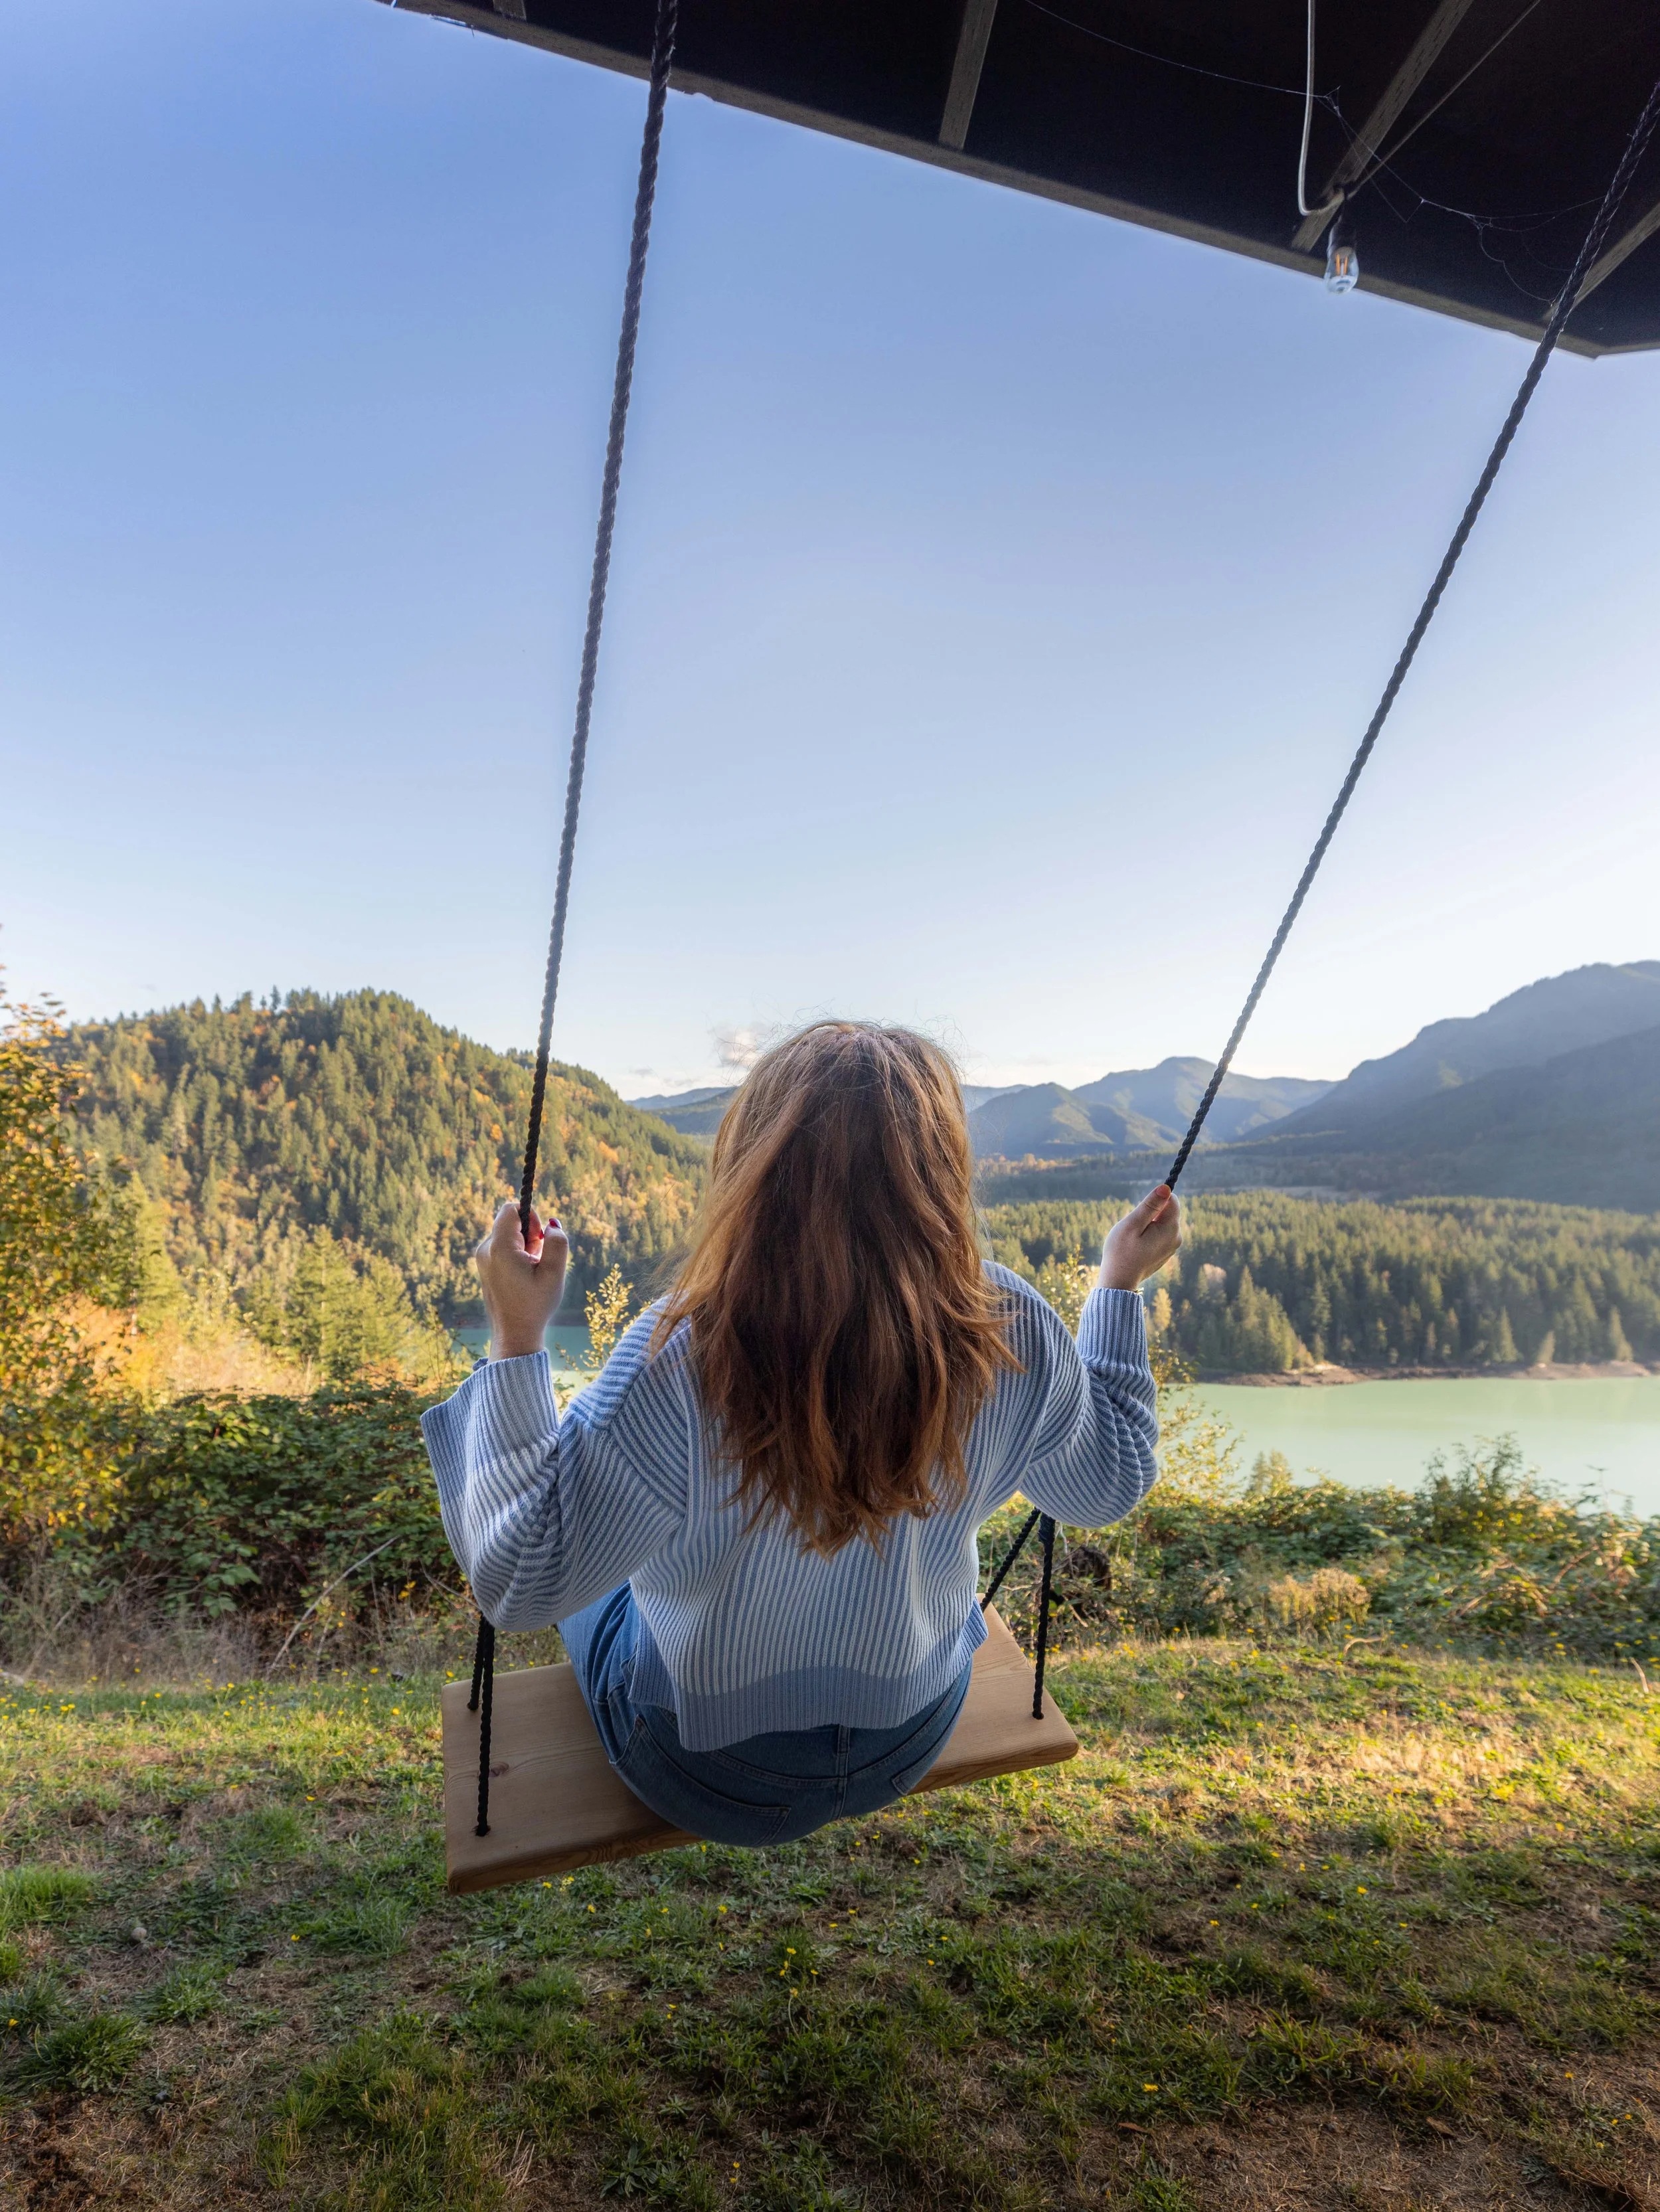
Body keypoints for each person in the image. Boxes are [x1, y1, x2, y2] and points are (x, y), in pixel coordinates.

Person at [423, 1021, 1179, 1847]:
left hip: (706, 1772)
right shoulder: (1010, 1325)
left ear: (751, 1171)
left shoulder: (683, 1353)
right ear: (942, 1170)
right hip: (909, 1731)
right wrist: (1117, 1287)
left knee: (593, 1563)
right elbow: (1107, 1484)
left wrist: (516, 1339)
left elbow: (521, 1583)